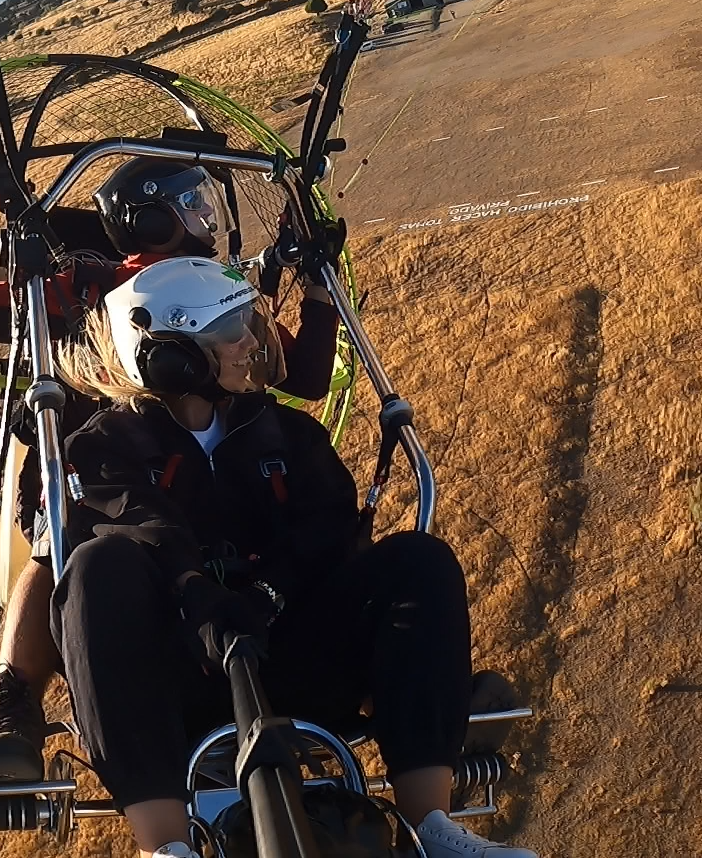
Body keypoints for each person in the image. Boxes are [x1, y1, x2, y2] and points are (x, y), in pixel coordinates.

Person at [44, 257, 533, 858]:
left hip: (287, 652)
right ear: (175, 357)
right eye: (233, 333)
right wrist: (196, 593)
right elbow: (144, 525)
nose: (254, 343)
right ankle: (164, 845)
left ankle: (431, 825)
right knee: (97, 569)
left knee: (418, 559)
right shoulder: (99, 450)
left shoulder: (290, 437)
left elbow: (326, 528)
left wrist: (264, 595)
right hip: (179, 679)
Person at [0, 140, 341, 784]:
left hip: (204, 450)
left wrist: (314, 286)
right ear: (150, 217)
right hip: (105, 457)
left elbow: (303, 375)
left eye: (202, 200)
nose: (205, 216)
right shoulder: (91, 287)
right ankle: (13, 702)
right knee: (58, 543)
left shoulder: (222, 292)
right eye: (187, 203)